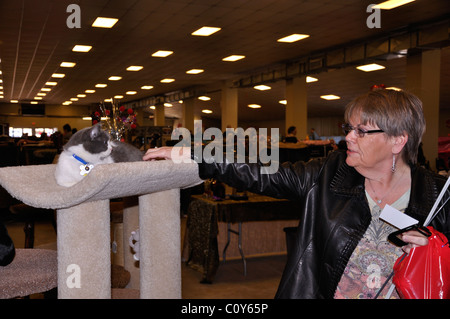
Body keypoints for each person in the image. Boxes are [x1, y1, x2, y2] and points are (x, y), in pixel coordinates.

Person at [143, 89, 450, 299]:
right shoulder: (328, 172)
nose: (347, 138)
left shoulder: (438, 195)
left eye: (361, 131)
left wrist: (437, 250)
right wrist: (193, 155)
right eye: (348, 128)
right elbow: (258, 171)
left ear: (398, 141)